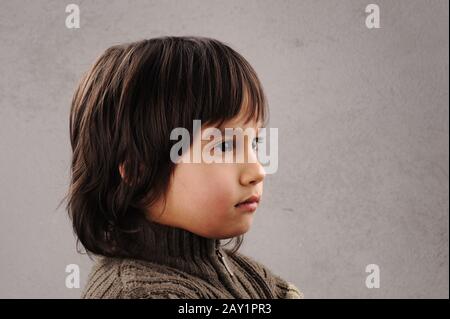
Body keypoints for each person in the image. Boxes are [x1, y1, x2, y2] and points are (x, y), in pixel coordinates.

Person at [66, 36, 303, 299]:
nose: (257, 171)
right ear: (137, 169)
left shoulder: (256, 280)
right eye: (224, 146)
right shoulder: (139, 294)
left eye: (255, 142)